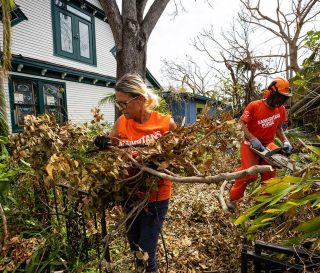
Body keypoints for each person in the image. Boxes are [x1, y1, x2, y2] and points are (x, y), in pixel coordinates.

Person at [95, 73, 176, 273]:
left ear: (139, 99)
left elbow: (176, 158)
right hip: (130, 193)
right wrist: (102, 142)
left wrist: (156, 162)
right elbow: (110, 146)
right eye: (118, 103)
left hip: (156, 196)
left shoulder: (166, 123)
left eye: (124, 104)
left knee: (146, 253)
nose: (120, 108)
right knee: (134, 247)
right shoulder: (122, 122)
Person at [229, 77, 293, 203]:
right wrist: (252, 139)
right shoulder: (254, 106)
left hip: (268, 144)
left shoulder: (281, 109)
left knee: (270, 173)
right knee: (250, 174)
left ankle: (263, 202)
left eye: (283, 98)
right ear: (271, 93)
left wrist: (285, 141)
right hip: (250, 144)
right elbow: (241, 124)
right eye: (279, 96)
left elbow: (279, 128)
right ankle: (233, 197)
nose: (281, 100)